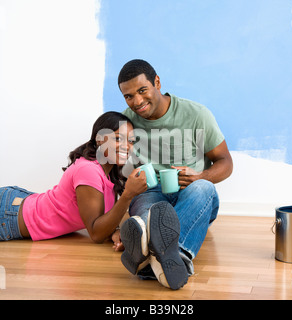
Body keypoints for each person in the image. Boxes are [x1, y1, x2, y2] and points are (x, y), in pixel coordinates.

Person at [118, 59, 233, 290]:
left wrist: (201, 176)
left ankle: (148, 251)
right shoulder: (125, 121)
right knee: (148, 212)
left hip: (191, 195)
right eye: (129, 96)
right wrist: (115, 221)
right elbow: (112, 170)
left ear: (157, 82)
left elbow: (226, 162)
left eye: (142, 90)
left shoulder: (197, 114)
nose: (137, 102)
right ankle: (172, 259)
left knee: (205, 189)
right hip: (150, 193)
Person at [0, 112, 148, 245]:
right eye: (118, 138)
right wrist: (128, 195)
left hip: (21, 201)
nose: (127, 146)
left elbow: (104, 218)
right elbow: (96, 234)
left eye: (131, 141)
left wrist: (114, 231)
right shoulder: (88, 170)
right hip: (8, 215)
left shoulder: (109, 171)